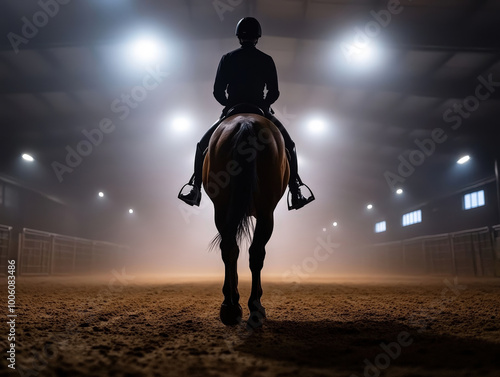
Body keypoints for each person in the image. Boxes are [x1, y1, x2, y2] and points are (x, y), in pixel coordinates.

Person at [178, 17, 314, 210]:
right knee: (290, 146)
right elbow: (274, 92)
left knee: (201, 146)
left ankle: (195, 189)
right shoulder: (266, 59)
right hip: (260, 110)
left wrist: (229, 106)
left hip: (233, 109)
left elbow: (217, 91)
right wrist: (264, 106)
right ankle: (296, 191)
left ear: (238, 37)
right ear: (257, 37)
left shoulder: (227, 58)